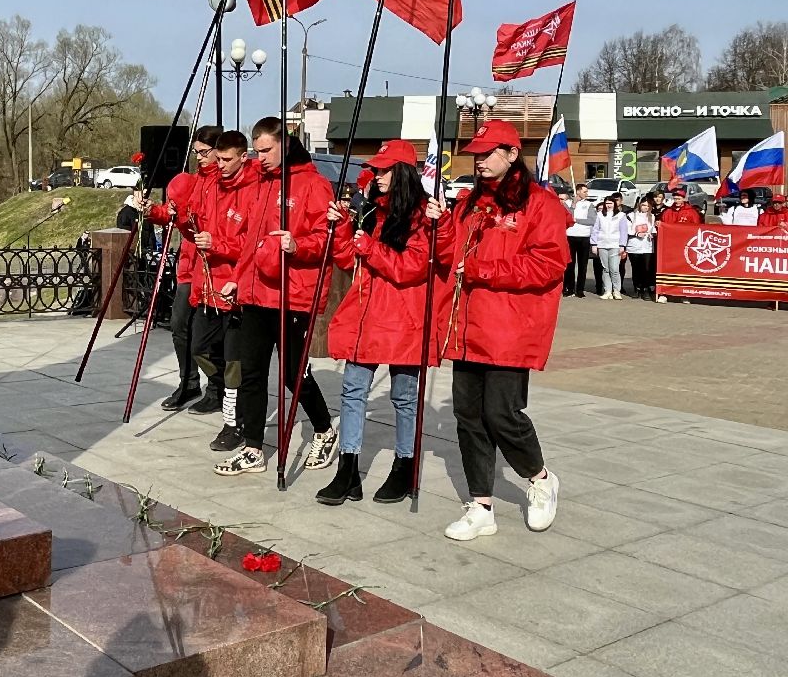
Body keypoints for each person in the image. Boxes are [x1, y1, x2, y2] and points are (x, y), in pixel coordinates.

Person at [426, 119, 563, 542]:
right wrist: (443, 226)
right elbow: (451, 257)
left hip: (510, 326)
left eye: (488, 153)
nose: (479, 160)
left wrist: (486, 269)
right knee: (467, 417)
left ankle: (539, 477)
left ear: (512, 154)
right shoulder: (469, 202)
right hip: (467, 323)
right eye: (476, 154)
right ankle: (481, 505)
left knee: (501, 414)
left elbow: (549, 264)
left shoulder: (540, 204)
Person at [319, 141, 443, 506]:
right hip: (367, 314)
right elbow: (348, 259)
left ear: (404, 173)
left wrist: (369, 248)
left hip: (404, 318)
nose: (378, 176)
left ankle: (404, 467)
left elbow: (412, 268)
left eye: (386, 170)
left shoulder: (423, 216)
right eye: (376, 169)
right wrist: (343, 229)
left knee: (404, 397)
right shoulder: (372, 212)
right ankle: (348, 469)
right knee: (352, 391)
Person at [215, 117, 338, 477]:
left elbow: (326, 238)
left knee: (292, 372)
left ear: (286, 144)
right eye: (257, 150)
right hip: (255, 293)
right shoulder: (262, 183)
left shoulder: (313, 184)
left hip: (292, 293)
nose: (261, 157)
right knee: (251, 371)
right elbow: (251, 239)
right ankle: (253, 447)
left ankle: (324, 428)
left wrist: (298, 244)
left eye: (267, 150)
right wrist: (238, 278)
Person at [186, 130, 261, 451]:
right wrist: (173, 216)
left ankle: (233, 422)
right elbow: (196, 220)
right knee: (199, 348)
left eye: (227, 159)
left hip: (235, 288)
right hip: (208, 284)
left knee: (234, 360)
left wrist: (219, 244)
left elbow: (253, 243)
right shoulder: (214, 184)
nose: (220, 165)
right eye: (218, 159)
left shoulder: (254, 189)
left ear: (244, 156)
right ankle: (223, 391)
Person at [144, 126, 222, 411]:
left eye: (205, 152)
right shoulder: (191, 181)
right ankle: (188, 381)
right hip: (189, 264)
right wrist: (154, 211)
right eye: (196, 152)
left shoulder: (225, 181)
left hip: (215, 266)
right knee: (179, 325)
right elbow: (172, 212)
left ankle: (217, 386)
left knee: (209, 333)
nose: (199, 158)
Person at [589, 197, 628, 300]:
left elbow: (623, 231)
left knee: (614, 269)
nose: (608, 205)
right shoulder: (600, 215)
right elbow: (595, 230)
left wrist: (622, 245)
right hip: (602, 245)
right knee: (606, 269)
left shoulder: (621, 216)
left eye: (610, 203)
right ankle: (608, 291)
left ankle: (616, 291)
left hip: (615, 245)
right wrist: (594, 244)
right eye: (607, 203)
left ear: (615, 204)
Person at [563, 183, 596, 297]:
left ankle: (580, 289)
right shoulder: (567, 203)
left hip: (584, 237)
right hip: (570, 236)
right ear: (578, 192)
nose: (587, 194)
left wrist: (577, 220)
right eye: (584, 191)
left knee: (583, 265)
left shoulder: (589, 205)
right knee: (570, 264)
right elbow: (567, 217)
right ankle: (569, 288)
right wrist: (573, 205)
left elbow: (591, 220)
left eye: (587, 191)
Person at [626, 197, 658, 300]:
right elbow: (627, 229)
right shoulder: (631, 216)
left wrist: (652, 233)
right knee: (636, 268)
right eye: (644, 205)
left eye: (648, 206)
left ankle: (645, 289)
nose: (646, 207)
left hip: (647, 246)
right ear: (639, 205)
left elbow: (653, 230)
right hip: (634, 246)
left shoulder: (652, 217)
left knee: (646, 268)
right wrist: (637, 233)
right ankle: (637, 288)